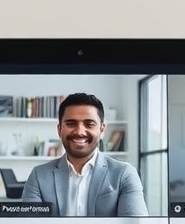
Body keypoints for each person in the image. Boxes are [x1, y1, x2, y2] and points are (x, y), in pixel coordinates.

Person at [21, 93, 149, 217]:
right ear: (60, 130)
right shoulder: (39, 176)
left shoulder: (124, 174)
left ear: (102, 130)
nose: (80, 132)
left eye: (89, 124)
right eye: (71, 123)